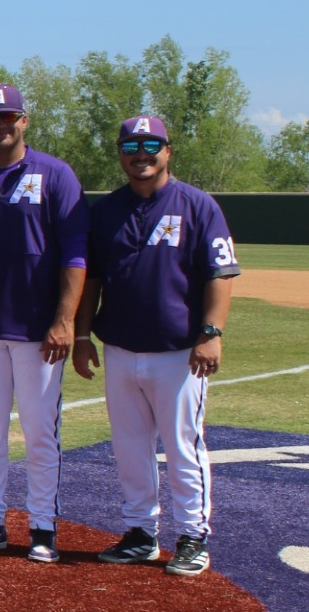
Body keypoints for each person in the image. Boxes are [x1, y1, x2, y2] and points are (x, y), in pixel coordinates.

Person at [72, 115, 239, 577]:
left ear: (168, 150)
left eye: (150, 144)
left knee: (184, 446)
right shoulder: (106, 211)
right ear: (121, 153)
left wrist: (211, 333)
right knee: (129, 447)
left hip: (179, 352)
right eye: (131, 145)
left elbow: (220, 274)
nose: (140, 153)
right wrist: (83, 336)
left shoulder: (198, 205)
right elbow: (94, 281)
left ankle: (192, 536)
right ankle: (141, 533)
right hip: (121, 348)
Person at [0, 83, 89, 563]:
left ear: (24, 120)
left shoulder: (55, 174)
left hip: (37, 329)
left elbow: (74, 254)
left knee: (40, 430)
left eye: (8, 117)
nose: (0, 124)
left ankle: (43, 526)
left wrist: (64, 320)